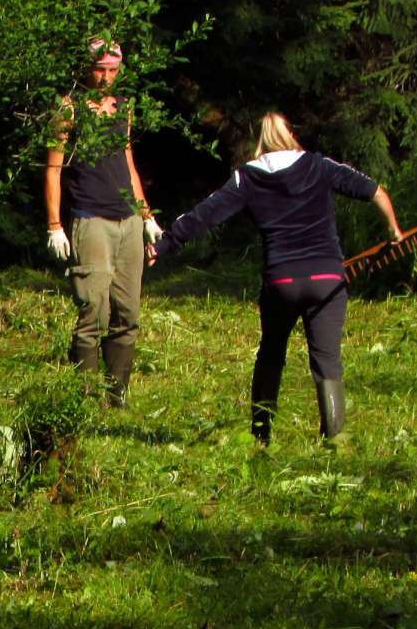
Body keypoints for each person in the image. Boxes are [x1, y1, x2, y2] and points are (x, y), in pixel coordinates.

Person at [149, 111, 402, 443]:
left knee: (271, 353)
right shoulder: (318, 165)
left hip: (281, 281)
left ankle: (260, 433)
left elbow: (205, 215)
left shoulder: (248, 177)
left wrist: (164, 244)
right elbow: (375, 191)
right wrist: (394, 230)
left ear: (261, 141)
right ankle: (334, 438)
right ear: (292, 134)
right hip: (327, 278)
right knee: (326, 358)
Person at [43, 38, 162, 406]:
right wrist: (54, 226)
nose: (106, 77)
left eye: (112, 70)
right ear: (87, 67)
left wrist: (147, 217)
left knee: (128, 312)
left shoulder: (123, 107)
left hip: (127, 219)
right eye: (100, 69)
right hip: (90, 217)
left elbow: (127, 162)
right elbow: (53, 169)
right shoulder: (70, 108)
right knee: (94, 309)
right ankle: (86, 396)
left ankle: (117, 395)